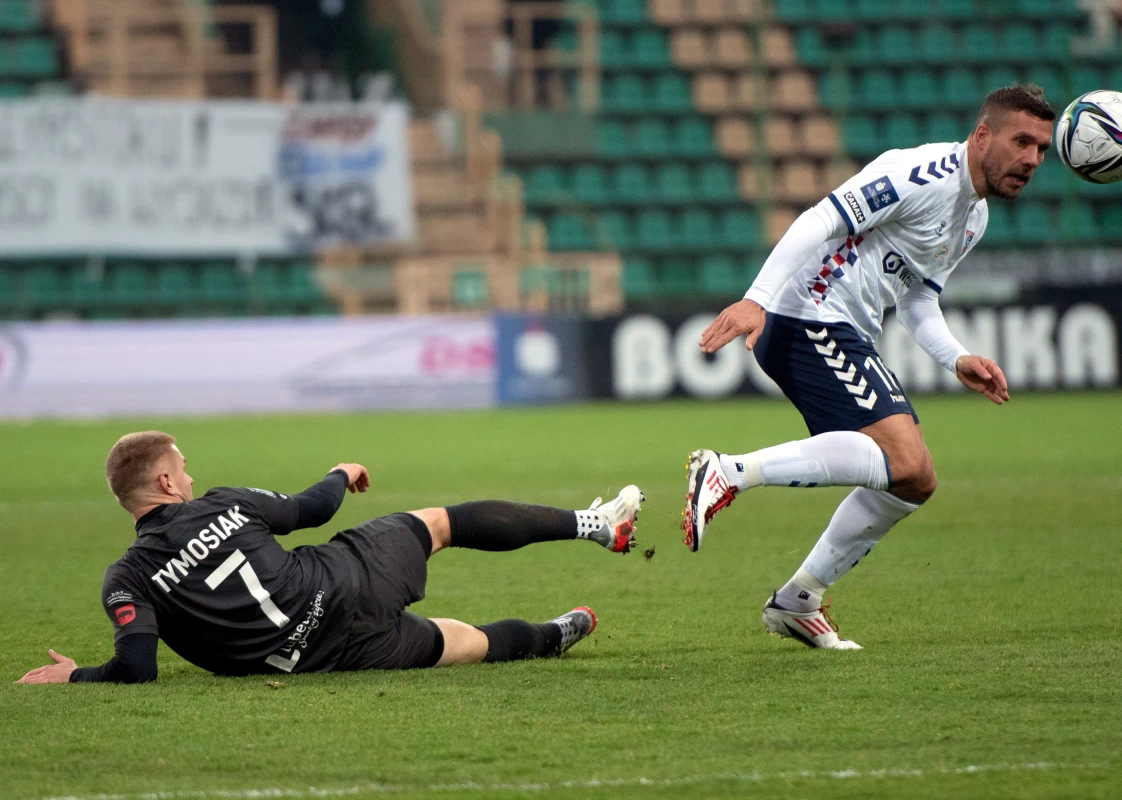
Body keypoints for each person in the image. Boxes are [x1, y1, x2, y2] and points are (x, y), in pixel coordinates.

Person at [682, 85, 1055, 649]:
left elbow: (918, 299)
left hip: (844, 329)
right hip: (805, 313)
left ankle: (799, 600)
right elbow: (820, 220)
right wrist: (756, 297)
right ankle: (727, 473)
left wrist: (957, 357)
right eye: (1021, 140)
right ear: (982, 136)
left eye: (1043, 149)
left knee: (914, 480)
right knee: (903, 458)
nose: (1031, 159)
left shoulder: (973, 218)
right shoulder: (920, 174)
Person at [16, 431, 643, 683]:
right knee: (441, 524)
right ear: (162, 483)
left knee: (464, 642)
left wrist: (75, 674)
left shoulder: (125, 579)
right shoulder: (222, 503)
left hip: (318, 656)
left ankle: (553, 634)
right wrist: (341, 473)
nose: (189, 473)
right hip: (346, 577)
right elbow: (310, 510)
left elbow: (137, 666)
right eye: (181, 467)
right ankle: (596, 524)